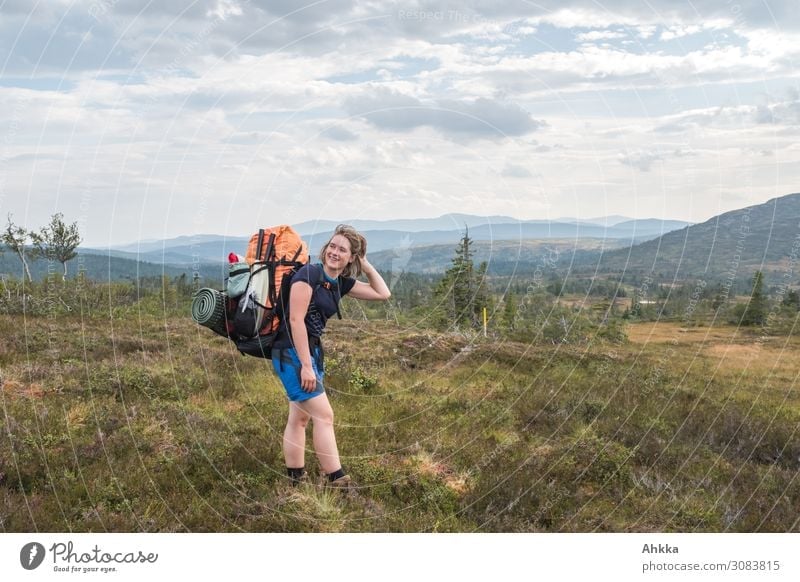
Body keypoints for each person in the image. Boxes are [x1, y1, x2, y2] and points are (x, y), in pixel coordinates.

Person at [271, 224, 391, 490]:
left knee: (300, 418)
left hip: (311, 352)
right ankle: (339, 482)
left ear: (351, 258)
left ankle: (295, 480)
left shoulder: (341, 283)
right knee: (325, 416)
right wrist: (305, 366)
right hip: (290, 352)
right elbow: (295, 320)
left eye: (343, 250)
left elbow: (383, 294)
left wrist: (366, 265)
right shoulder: (309, 274)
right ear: (326, 248)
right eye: (333, 246)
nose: (335, 252)